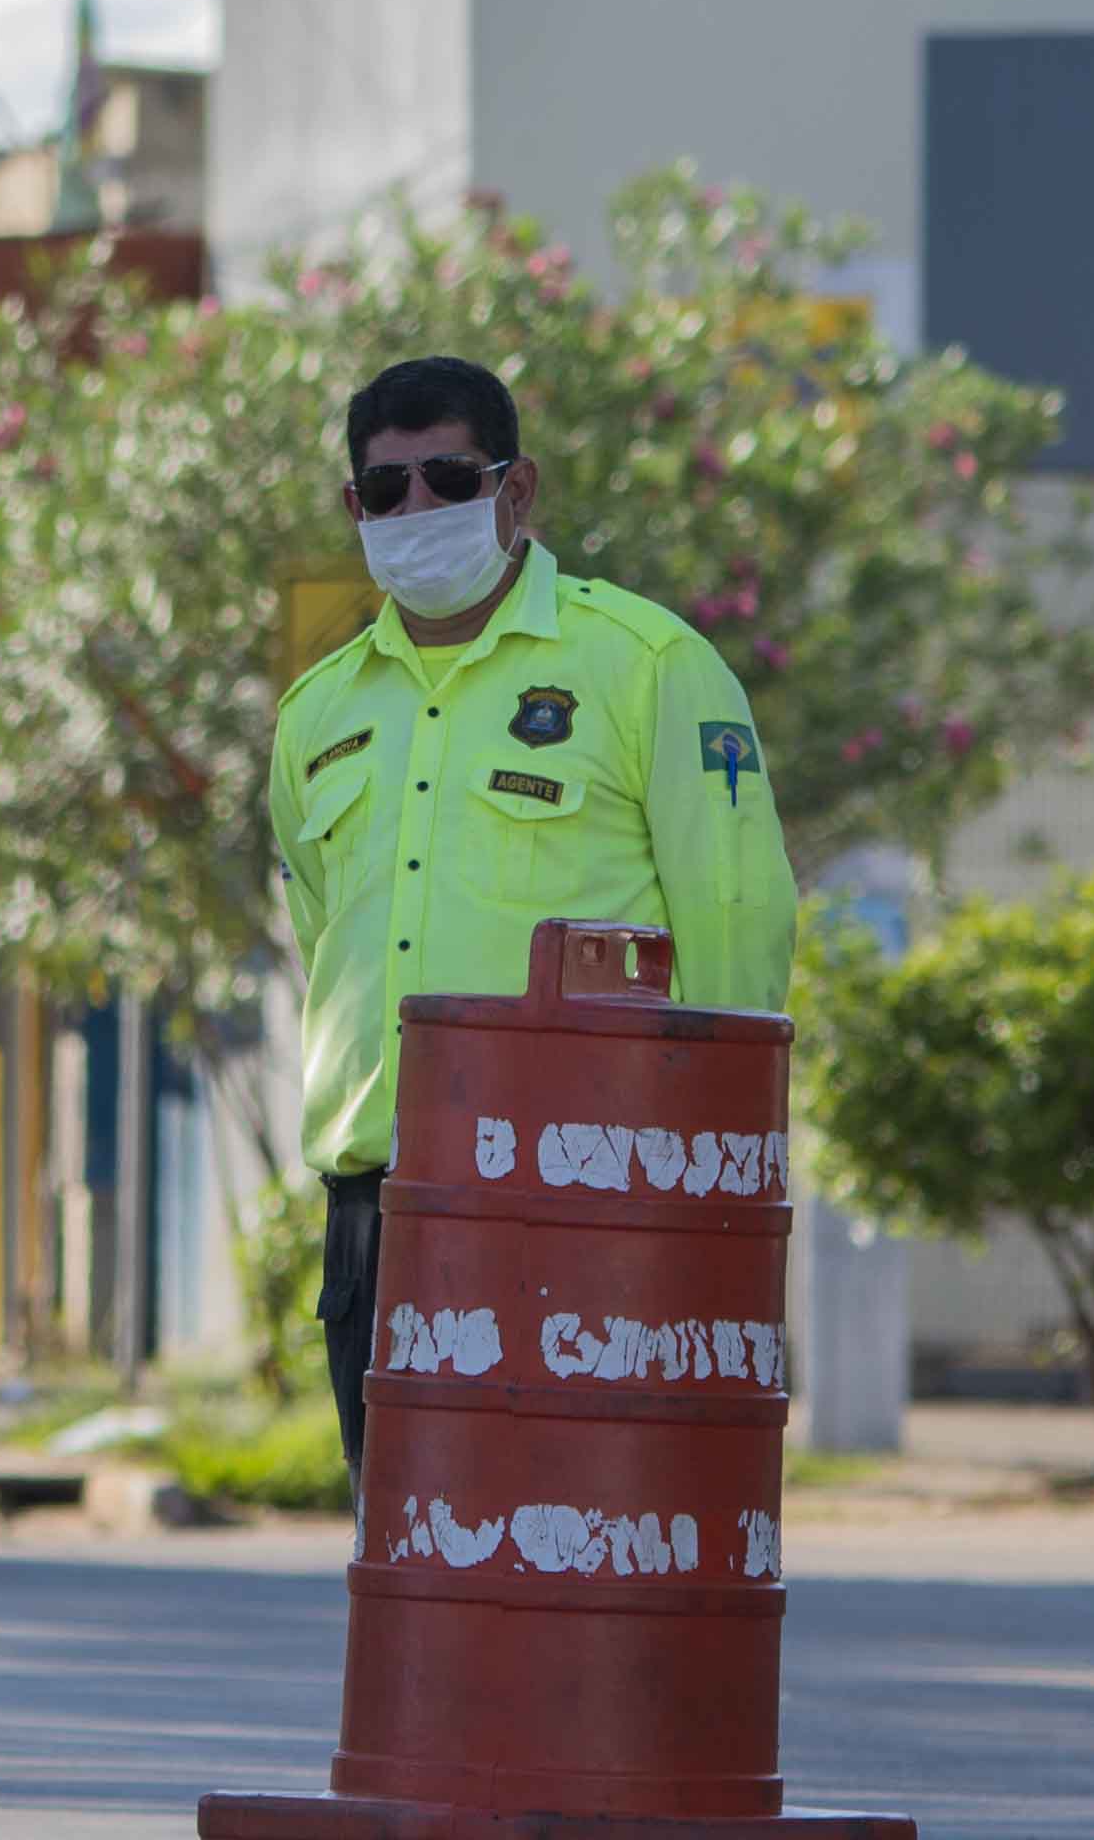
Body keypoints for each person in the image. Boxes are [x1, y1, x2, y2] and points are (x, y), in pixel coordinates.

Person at [266, 355, 801, 1464]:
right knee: (403, 1554)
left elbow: (735, 927)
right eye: (387, 489)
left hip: (588, 1197)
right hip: (378, 1213)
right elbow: (325, 940)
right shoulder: (317, 712)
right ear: (354, 508)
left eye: (451, 479)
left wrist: (710, 1204)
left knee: (588, 1537)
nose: (418, 508)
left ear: (517, 490)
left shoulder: (648, 665)